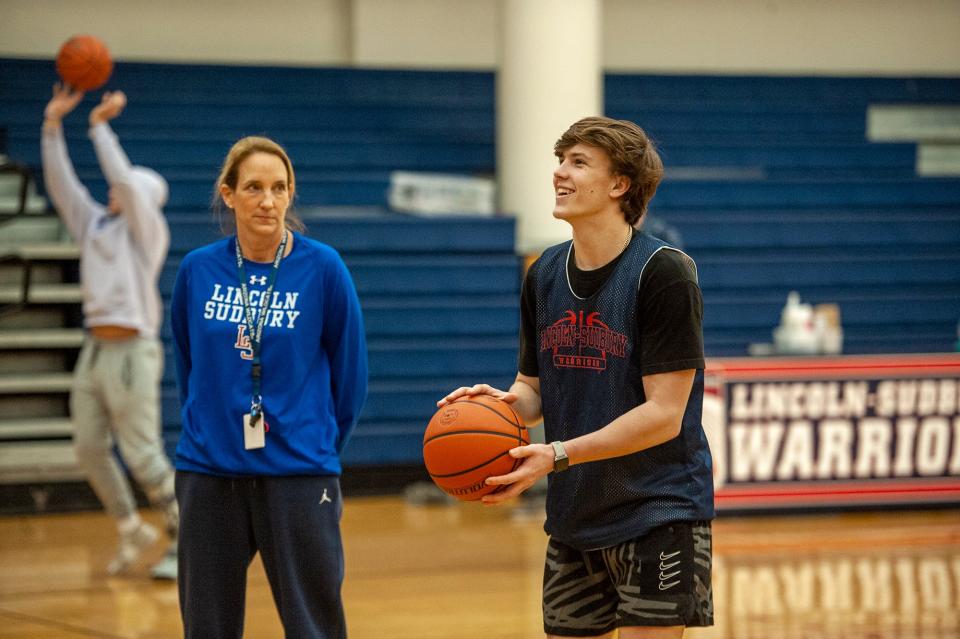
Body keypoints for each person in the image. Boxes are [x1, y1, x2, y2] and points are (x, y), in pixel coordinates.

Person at [439, 116, 715, 638]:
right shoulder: (544, 272)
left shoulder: (664, 274)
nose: (559, 173)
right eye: (560, 160)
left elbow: (664, 416)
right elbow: (534, 390)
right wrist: (497, 407)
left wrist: (558, 454)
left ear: (619, 184)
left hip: (658, 508)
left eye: (578, 162)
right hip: (575, 513)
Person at [170, 136, 368, 638]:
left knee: (313, 627)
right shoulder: (197, 270)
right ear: (228, 194)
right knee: (206, 626)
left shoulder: (323, 268)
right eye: (254, 187)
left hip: (298, 474)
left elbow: (351, 379)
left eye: (279, 188)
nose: (267, 200)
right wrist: (209, 432)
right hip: (209, 474)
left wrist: (313, 444)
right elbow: (188, 369)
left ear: (290, 194)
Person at [41, 84, 179, 580]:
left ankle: (185, 538)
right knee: (89, 448)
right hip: (95, 350)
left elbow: (119, 173)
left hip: (133, 352)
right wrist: (53, 126)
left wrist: (99, 127)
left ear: (139, 197)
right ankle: (129, 527)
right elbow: (62, 185)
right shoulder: (94, 224)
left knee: (143, 453)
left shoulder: (148, 232)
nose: (110, 190)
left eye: (122, 188)